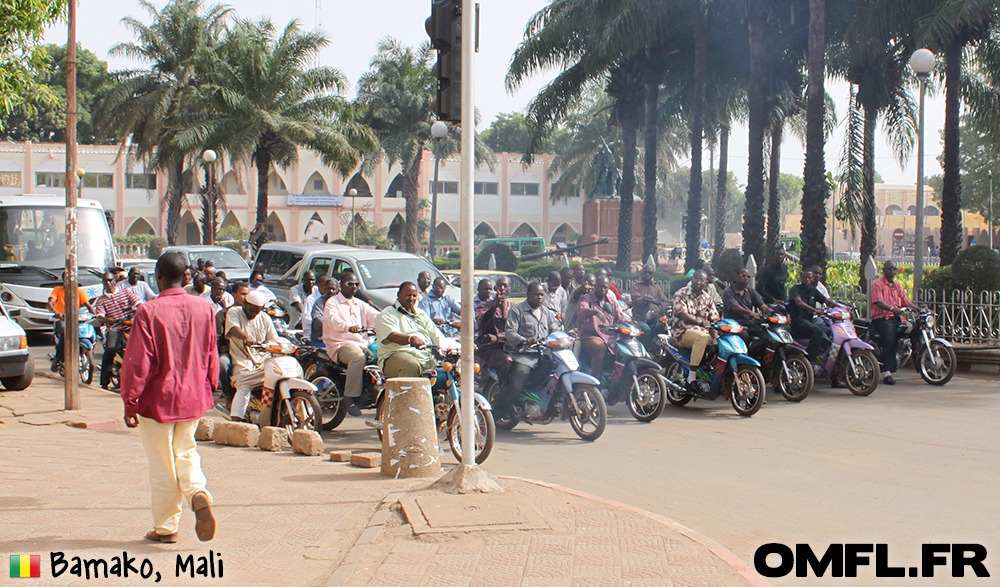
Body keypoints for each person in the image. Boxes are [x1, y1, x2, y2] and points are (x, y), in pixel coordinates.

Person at [120, 252, 217, 544]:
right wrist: (210, 385)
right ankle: (198, 491)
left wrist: (130, 401)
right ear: (185, 276)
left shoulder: (148, 312)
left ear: (158, 277)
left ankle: (166, 527)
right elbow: (211, 352)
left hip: (158, 399)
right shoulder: (204, 308)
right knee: (186, 451)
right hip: (193, 395)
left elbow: (138, 363)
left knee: (162, 462)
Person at [499, 282, 561, 417]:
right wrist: (524, 340)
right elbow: (510, 332)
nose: (539, 297)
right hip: (523, 355)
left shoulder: (546, 312)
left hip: (543, 353)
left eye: (541, 295)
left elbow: (555, 329)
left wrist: (565, 335)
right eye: (536, 294)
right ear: (528, 295)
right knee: (516, 387)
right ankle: (494, 412)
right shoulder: (517, 310)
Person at [323, 271, 380, 416]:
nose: (354, 287)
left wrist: (390, 319)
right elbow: (334, 321)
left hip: (361, 344)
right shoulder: (332, 303)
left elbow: (376, 316)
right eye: (350, 284)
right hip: (341, 344)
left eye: (356, 284)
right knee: (357, 358)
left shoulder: (359, 304)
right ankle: (349, 398)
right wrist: (347, 327)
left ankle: (373, 391)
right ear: (341, 285)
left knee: (382, 354)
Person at [225, 290, 280, 422]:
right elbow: (233, 329)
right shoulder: (234, 312)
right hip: (243, 362)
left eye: (257, 311)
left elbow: (274, 339)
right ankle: (236, 421)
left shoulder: (265, 318)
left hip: (263, 362)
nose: (254, 314)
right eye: (251, 310)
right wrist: (246, 337)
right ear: (245, 303)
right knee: (244, 385)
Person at [375, 282, 441, 377]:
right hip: (397, 354)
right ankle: (408, 392)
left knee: (449, 368)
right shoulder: (387, 314)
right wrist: (410, 339)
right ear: (399, 295)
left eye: (414, 296)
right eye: (408, 295)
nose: (411, 299)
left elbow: (436, 334)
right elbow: (393, 335)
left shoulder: (421, 314)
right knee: (410, 365)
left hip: (424, 356)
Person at [870, 261, 919, 385]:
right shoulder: (877, 284)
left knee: (916, 328)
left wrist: (920, 309)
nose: (892, 271)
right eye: (889, 268)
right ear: (884, 270)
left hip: (897, 319)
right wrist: (892, 309)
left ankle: (920, 364)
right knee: (889, 338)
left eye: (894, 268)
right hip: (882, 318)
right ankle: (887, 372)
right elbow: (878, 301)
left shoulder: (897, 286)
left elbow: (906, 302)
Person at [93, 272, 140, 389]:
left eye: (110, 280)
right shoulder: (101, 300)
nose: (108, 283)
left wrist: (138, 308)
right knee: (110, 350)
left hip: (130, 326)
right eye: (105, 281)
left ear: (115, 281)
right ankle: (105, 381)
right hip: (114, 328)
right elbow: (99, 316)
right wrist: (107, 319)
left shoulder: (126, 292)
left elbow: (138, 303)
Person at [671, 270, 719, 380]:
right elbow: (682, 314)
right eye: (696, 278)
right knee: (702, 338)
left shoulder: (708, 298)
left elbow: (714, 320)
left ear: (706, 283)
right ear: (691, 279)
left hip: (704, 331)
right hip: (683, 331)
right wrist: (700, 323)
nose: (698, 281)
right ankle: (692, 375)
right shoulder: (681, 293)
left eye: (701, 280)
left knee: (722, 341)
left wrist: (715, 338)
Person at [578, 275, 626, 379]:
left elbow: (620, 318)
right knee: (599, 348)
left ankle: (617, 382)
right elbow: (583, 310)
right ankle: (596, 386)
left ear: (609, 288)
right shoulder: (587, 298)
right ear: (595, 286)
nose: (602, 289)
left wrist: (631, 325)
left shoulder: (612, 302)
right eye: (600, 286)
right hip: (591, 337)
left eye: (605, 287)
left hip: (611, 337)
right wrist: (596, 312)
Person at [788, 269, 837, 362]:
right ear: (801, 278)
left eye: (809, 278)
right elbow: (799, 302)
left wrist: (841, 307)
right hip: (798, 321)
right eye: (805, 277)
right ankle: (810, 360)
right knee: (817, 331)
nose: (807, 279)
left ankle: (822, 359)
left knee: (828, 339)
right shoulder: (795, 289)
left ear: (813, 279)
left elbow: (827, 301)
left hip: (810, 320)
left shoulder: (814, 291)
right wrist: (814, 310)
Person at [47, 282, 96, 366]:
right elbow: (50, 303)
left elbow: (88, 305)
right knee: (64, 333)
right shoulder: (57, 290)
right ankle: (58, 358)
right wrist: (56, 312)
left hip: (76, 319)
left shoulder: (78, 291)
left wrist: (94, 314)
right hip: (62, 319)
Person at [476, 275, 512, 389]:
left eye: (505, 286)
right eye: (499, 285)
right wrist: (494, 306)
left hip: (511, 346)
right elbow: (482, 321)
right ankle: (503, 393)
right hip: (489, 349)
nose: (502, 288)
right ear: (495, 288)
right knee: (506, 361)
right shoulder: (484, 305)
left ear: (509, 289)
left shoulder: (514, 307)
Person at [216, 282, 249, 404]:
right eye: (243, 294)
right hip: (229, 352)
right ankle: (227, 394)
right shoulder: (223, 315)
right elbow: (218, 338)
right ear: (234, 295)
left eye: (248, 294)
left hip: (249, 353)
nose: (246, 297)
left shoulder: (252, 314)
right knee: (223, 364)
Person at [310, 277, 337, 345]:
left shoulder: (341, 302)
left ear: (338, 289)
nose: (331, 291)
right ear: (325, 288)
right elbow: (318, 319)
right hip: (321, 340)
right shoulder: (319, 302)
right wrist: (335, 325)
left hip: (338, 339)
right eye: (329, 288)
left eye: (333, 289)